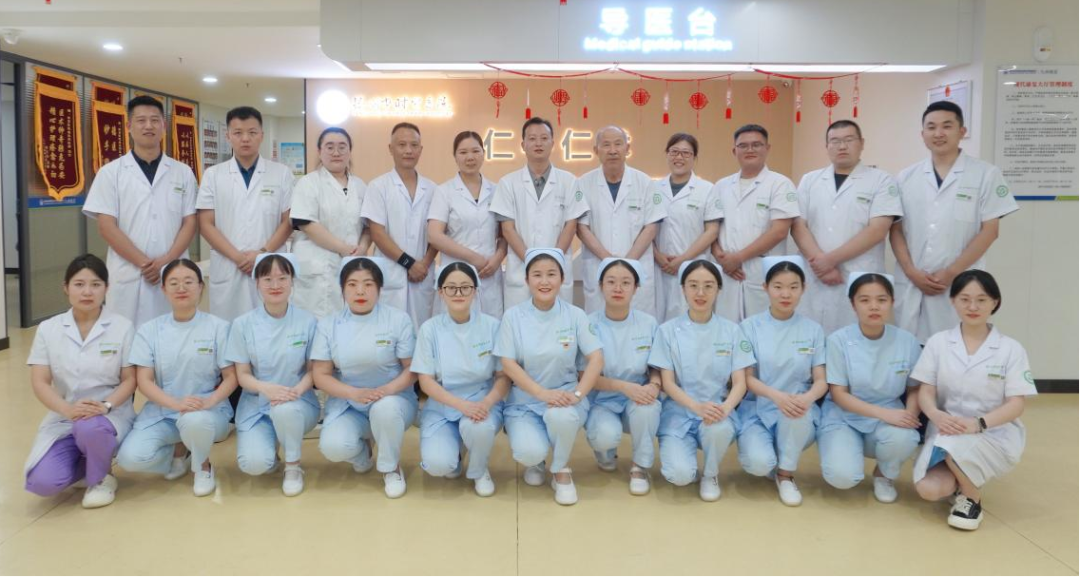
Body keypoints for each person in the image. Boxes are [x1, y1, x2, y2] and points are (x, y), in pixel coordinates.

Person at [912, 270, 1036, 531]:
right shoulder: (938, 343)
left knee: (953, 447)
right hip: (946, 428)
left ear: (995, 302)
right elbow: (926, 391)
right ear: (953, 301)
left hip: (993, 433)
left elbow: (1016, 404)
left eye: (981, 300)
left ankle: (971, 498)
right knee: (928, 489)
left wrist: (978, 424)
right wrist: (935, 415)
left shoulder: (1010, 349)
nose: (973, 307)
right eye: (965, 299)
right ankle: (961, 477)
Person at [891, 101, 1020, 342]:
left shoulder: (985, 174)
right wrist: (911, 271)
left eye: (947, 126)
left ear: (962, 131)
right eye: (931, 127)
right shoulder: (906, 177)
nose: (938, 133)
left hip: (960, 281)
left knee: (958, 347)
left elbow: (990, 231)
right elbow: (895, 229)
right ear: (922, 134)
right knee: (909, 351)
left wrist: (951, 272)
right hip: (912, 282)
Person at [24, 254, 136, 508]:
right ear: (66, 287)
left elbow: (130, 380)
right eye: (79, 284)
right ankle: (89, 460)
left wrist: (105, 406)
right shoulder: (49, 329)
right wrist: (68, 410)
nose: (87, 292)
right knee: (42, 483)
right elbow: (40, 381)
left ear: (106, 288)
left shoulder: (122, 327)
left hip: (109, 414)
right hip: (65, 414)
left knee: (91, 428)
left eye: (96, 284)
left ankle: (102, 478)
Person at [116, 259, 236, 497]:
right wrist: (176, 404)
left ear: (201, 287)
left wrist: (209, 402)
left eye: (189, 282)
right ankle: (179, 451)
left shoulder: (219, 327)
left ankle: (202, 466)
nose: (181, 288)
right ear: (163, 289)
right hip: (164, 410)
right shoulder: (149, 331)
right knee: (130, 458)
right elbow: (144, 381)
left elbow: (231, 377)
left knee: (194, 421)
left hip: (207, 410)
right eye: (174, 283)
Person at [496, 248, 604, 505]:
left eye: (551, 274)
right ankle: (538, 460)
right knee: (528, 452)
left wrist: (577, 394)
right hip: (525, 400)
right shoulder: (513, 317)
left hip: (565, 396)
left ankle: (561, 469)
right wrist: (541, 394)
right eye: (537, 275)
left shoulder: (575, 315)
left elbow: (596, 358)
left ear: (562, 279)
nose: (544, 281)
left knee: (561, 417)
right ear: (527, 280)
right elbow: (508, 363)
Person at [82, 95, 198, 328]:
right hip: (129, 272)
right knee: (126, 337)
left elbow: (190, 222)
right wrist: (145, 264)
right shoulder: (111, 173)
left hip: (173, 270)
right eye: (141, 120)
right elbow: (106, 226)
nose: (148, 126)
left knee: (173, 334)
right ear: (128, 126)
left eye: (155, 120)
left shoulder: (183, 172)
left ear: (164, 126)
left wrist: (166, 261)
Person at [312, 257, 418, 499]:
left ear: (380, 288)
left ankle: (391, 468)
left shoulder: (398, 320)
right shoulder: (329, 325)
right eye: (352, 284)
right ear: (342, 289)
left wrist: (386, 391)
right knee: (333, 447)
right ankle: (363, 454)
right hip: (349, 402)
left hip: (394, 399)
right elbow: (321, 374)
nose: (360, 291)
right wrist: (353, 393)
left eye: (368, 284)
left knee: (385, 409)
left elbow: (412, 369)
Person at [648, 260, 753, 501]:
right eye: (693, 285)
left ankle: (710, 473)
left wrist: (725, 408)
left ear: (718, 289)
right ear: (683, 289)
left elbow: (740, 382)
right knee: (679, 475)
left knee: (717, 430)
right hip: (679, 412)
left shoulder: (732, 331)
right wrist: (696, 407)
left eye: (708, 286)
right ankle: (689, 467)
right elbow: (667, 383)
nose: (700, 293)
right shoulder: (667, 331)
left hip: (718, 409)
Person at [818, 273, 922, 503]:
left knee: (904, 438)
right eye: (864, 300)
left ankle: (884, 475)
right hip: (843, 416)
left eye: (881, 300)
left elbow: (915, 388)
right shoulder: (838, 341)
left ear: (892, 302)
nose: (874, 307)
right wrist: (884, 414)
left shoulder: (907, 341)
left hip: (889, 414)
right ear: (853, 304)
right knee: (842, 477)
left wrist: (909, 416)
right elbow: (838, 394)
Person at [791, 120, 902, 334]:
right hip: (815, 273)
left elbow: (877, 230)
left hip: (858, 273)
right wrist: (820, 262)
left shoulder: (881, 181)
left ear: (862, 143)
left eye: (849, 140)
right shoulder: (810, 180)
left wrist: (829, 261)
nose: (842, 146)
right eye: (835, 141)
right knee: (811, 338)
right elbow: (798, 225)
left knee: (857, 338)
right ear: (827, 146)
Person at [736, 256, 827, 506]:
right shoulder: (748, 327)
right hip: (758, 408)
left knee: (796, 416)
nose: (785, 294)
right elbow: (747, 379)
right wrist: (778, 397)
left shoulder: (813, 330)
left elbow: (821, 380)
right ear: (765, 288)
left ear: (803, 289)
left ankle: (786, 475)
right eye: (778, 286)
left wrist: (806, 399)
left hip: (798, 409)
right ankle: (772, 457)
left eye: (793, 287)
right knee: (758, 464)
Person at [226, 254, 319, 497]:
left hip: (298, 401)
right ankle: (271, 450)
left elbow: (314, 371)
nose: (275, 285)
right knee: (254, 464)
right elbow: (242, 375)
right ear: (257, 283)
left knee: (285, 411)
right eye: (267, 279)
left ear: (292, 281)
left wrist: (295, 392)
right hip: (256, 402)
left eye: (282, 278)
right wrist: (267, 389)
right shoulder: (242, 324)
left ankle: (293, 466)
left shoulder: (308, 321)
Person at [413, 263, 509, 497]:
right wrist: (461, 406)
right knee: (439, 466)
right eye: (451, 288)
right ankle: (455, 452)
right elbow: (425, 382)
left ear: (475, 291)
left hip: (482, 401)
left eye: (465, 287)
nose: (458, 293)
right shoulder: (429, 329)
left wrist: (486, 403)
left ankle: (479, 469)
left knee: (478, 428)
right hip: (442, 403)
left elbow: (503, 377)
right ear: (441, 292)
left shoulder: (492, 326)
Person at [196, 106, 295, 322]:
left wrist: (262, 253)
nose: (245, 139)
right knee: (228, 329)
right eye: (238, 133)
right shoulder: (213, 175)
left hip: (269, 263)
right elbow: (205, 224)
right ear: (228, 136)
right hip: (229, 266)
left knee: (271, 326)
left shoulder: (281, 173)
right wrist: (238, 257)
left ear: (262, 135)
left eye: (252, 132)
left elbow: (288, 221)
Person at [489, 117, 587, 309]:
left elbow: (571, 225)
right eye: (532, 138)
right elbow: (507, 229)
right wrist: (532, 262)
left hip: (558, 268)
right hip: (521, 271)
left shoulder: (570, 182)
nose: (538, 143)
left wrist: (552, 262)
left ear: (553, 143)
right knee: (520, 323)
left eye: (544, 138)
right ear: (523, 145)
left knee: (558, 324)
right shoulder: (507, 183)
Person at [584, 258, 661, 495]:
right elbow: (584, 376)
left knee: (648, 409)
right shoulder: (588, 324)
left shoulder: (648, 323)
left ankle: (640, 466)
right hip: (602, 399)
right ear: (600, 286)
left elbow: (657, 365)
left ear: (636, 288)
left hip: (638, 396)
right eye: (611, 282)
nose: (618, 288)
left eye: (626, 283)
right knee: (605, 436)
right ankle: (604, 450)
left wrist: (654, 385)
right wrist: (623, 387)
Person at [712, 125, 799, 322]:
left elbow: (779, 231)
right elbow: (711, 228)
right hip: (726, 271)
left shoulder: (780, 184)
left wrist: (738, 258)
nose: (750, 150)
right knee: (727, 329)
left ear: (767, 148)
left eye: (756, 145)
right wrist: (720, 257)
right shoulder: (721, 186)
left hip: (761, 271)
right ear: (734, 151)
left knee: (762, 329)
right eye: (743, 146)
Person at [576, 125, 666, 316]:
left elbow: (651, 226)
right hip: (599, 265)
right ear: (596, 150)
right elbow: (582, 228)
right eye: (606, 145)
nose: (612, 150)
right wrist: (609, 260)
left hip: (636, 265)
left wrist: (627, 263)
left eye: (618, 144)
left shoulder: (644, 182)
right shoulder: (583, 184)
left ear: (627, 148)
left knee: (638, 325)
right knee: (599, 324)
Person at [361, 122, 438, 328]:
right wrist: (409, 264)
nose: (408, 150)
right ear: (390, 148)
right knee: (387, 333)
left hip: (423, 275)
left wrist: (424, 264)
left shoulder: (432, 189)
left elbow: (437, 233)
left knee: (422, 331)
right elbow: (377, 233)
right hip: (391, 274)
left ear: (421, 149)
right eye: (402, 145)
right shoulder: (378, 186)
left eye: (414, 145)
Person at [290, 127, 370, 319]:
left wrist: (362, 247)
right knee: (315, 324)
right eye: (330, 147)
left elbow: (369, 226)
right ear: (319, 151)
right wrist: (343, 248)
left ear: (349, 151)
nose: (336, 152)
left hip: (352, 263)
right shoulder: (309, 183)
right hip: (317, 268)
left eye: (342, 147)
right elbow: (306, 223)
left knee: (349, 324)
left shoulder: (360, 186)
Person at [427, 131, 506, 317]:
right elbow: (434, 235)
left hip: (489, 274)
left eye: (475, 151)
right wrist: (473, 258)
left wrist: (497, 259)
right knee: (455, 326)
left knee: (490, 328)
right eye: (463, 152)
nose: (470, 157)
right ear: (455, 156)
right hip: (456, 273)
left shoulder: (497, 190)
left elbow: (505, 234)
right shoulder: (444, 191)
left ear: (483, 153)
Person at [651, 133, 720, 323]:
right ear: (667, 154)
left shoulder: (707, 189)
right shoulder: (654, 189)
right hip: (660, 267)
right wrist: (658, 256)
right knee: (660, 321)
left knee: (692, 319)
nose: (679, 157)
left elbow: (712, 231)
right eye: (674, 151)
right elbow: (645, 229)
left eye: (686, 153)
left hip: (694, 265)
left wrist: (682, 259)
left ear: (694, 158)